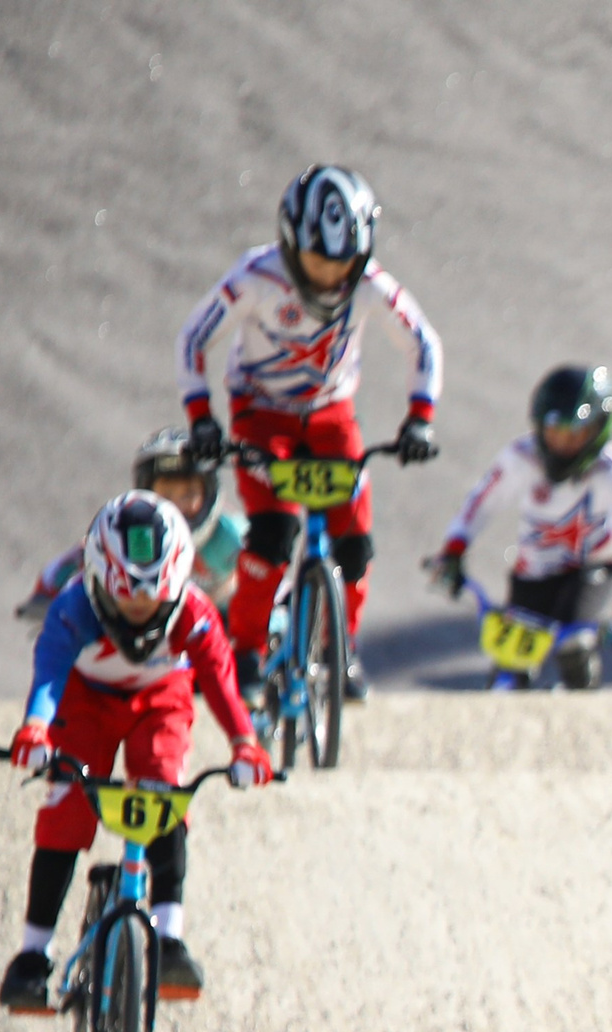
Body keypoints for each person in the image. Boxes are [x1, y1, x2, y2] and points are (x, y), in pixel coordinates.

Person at [175, 163, 443, 704]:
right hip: (260, 412)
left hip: (330, 415)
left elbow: (425, 345)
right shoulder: (255, 277)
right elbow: (192, 339)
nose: (329, 277)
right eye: (318, 261)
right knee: (272, 535)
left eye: (342, 263)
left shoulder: (370, 285)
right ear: (291, 245)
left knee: (356, 546)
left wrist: (420, 418)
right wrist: (202, 417)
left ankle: (339, 651)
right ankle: (246, 651)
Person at [0, 493, 272, 1014]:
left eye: (153, 601)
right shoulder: (72, 607)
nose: (140, 613)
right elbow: (50, 674)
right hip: (86, 700)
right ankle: (33, 955)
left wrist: (245, 743)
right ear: (100, 581)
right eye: (127, 602)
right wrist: (34, 730)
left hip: (161, 698)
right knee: (66, 808)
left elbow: (220, 680)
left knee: (165, 793)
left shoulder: (195, 612)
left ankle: (169, 940)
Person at [423, 364, 612, 690]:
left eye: (574, 436)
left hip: (589, 573)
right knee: (509, 667)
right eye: (554, 434)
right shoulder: (521, 457)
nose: (561, 445)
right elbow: (481, 503)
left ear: (597, 430)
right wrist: (453, 549)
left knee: (575, 649)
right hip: (533, 574)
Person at [13, 427, 247, 624]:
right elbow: (85, 555)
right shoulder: (129, 534)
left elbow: (273, 586)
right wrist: (49, 593)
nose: (176, 505)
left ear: (210, 492)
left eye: (188, 493)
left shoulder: (236, 537)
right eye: (166, 494)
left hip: (222, 632)